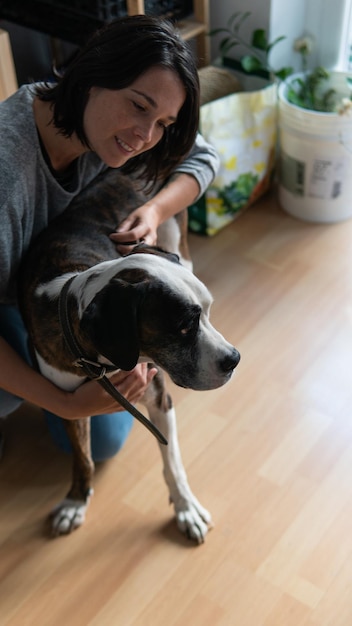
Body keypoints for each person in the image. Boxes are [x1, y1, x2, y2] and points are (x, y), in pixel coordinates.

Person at [0, 15, 219, 461]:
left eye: (163, 122)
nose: (145, 137)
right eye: (139, 106)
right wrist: (64, 402)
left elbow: (203, 156)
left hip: (57, 282)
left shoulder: (101, 125)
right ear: (95, 76)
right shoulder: (8, 175)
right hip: (8, 300)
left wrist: (154, 210)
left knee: (101, 441)